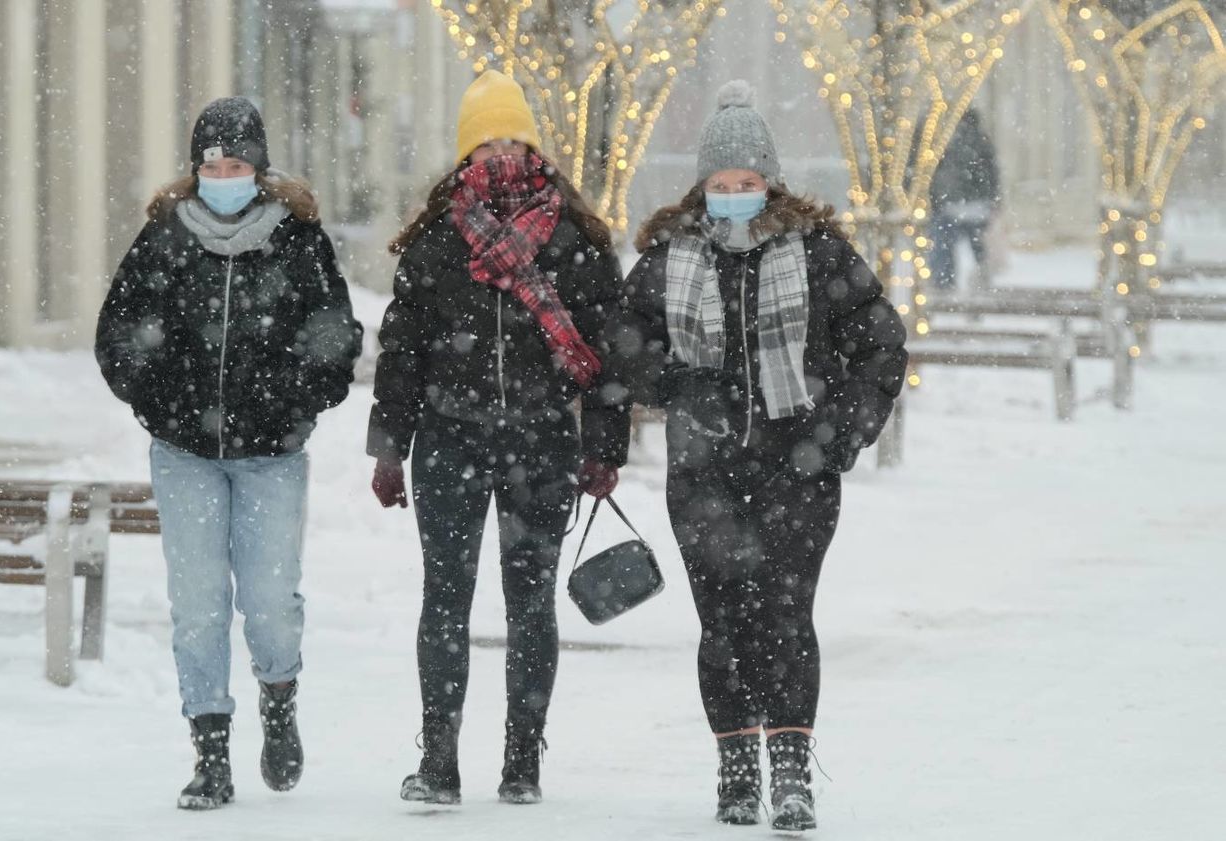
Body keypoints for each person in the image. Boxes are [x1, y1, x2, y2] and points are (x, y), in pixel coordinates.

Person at [605, 81, 907, 832]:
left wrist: (836, 435)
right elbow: (622, 344)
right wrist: (674, 378)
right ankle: (737, 769)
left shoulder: (815, 251)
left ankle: (793, 772)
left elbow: (881, 345)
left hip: (796, 470)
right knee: (723, 622)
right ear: (702, 184)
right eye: (722, 183)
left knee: (785, 615)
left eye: (747, 183)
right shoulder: (671, 255)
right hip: (702, 471)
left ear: (768, 181)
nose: (735, 195)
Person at [366, 70, 628, 806]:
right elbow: (403, 349)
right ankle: (440, 757)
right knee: (444, 597)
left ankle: (522, 759)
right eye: (485, 141)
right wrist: (391, 445)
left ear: (535, 145)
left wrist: (603, 446)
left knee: (531, 600)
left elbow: (606, 349)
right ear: (463, 154)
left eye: (511, 138)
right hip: (451, 438)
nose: (500, 153)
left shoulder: (574, 241)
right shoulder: (437, 242)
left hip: (542, 441)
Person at [95, 97, 363, 810]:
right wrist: (154, 398)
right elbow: (118, 331)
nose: (223, 174)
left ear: (258, 168)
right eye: (211, 165)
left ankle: (279, 699)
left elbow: (335, 334)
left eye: (235, 163)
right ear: (196, 170)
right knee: (198, 605)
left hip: (271, 454)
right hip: (184, 452)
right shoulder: (164, 238)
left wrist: (298, 398)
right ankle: (209, 749)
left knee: (271, 602)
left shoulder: (297, 241)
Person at [926, 107, 1001, 290]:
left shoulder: (947, 142)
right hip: (977, 207)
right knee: (978, 248)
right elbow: (993, 174)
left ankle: (944, 284)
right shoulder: (983, 141)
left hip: (950, 205)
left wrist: (935, 199)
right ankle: (982, 283)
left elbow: (937, 174)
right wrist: (994, 200)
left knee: (944, 248)